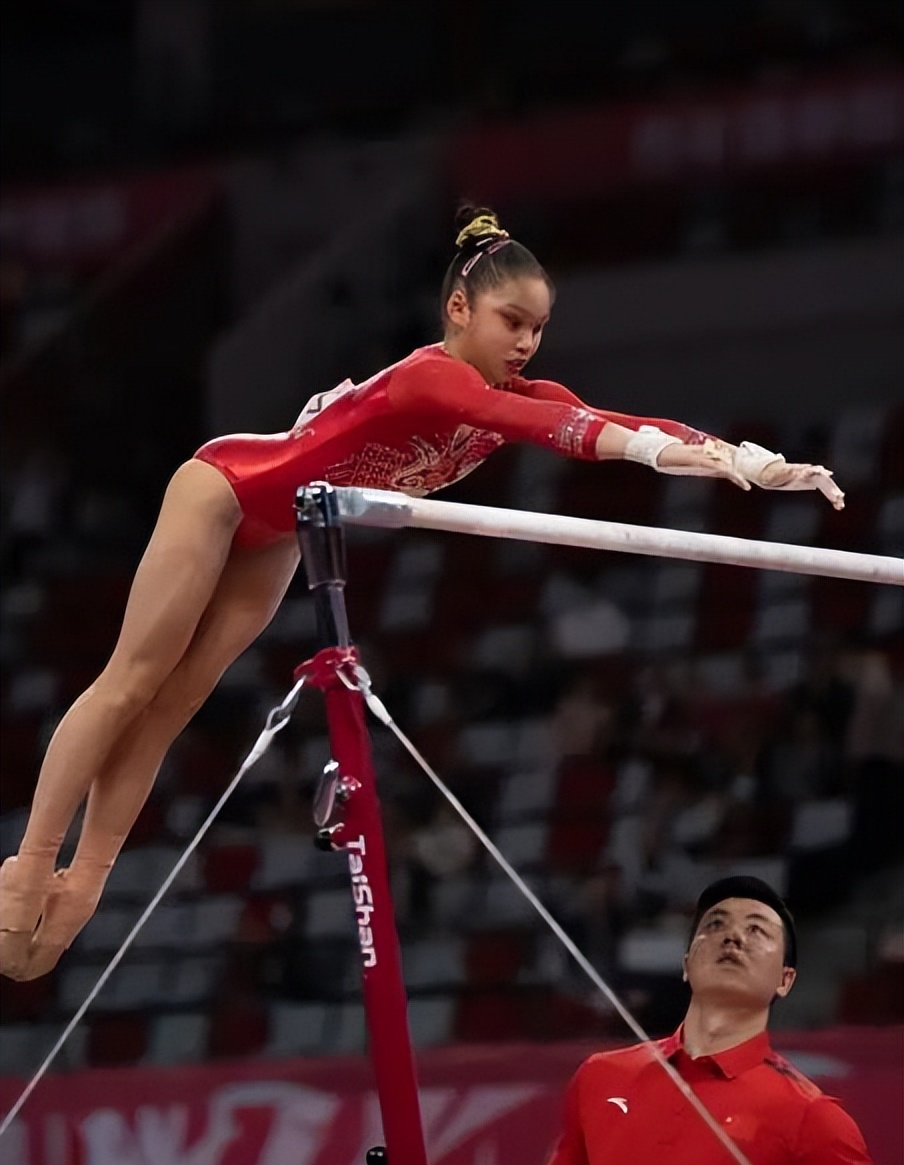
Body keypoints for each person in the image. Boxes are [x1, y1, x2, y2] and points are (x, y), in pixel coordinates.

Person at [0, 206, 845, 982]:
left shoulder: (513, 394)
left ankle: (84, 885)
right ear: (458, 312)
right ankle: (30, 864)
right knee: (135, 680)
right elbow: (566, 434)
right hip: (224, 487)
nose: (526, 344)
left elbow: (615, 423)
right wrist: (658, 456)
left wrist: (748, 461)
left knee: (174, 705)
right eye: (512, 322)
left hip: (285, 528)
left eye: (539, 329)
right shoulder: (428, 378)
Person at [539, 875, 879, 1165]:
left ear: (784, 980)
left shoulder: (815, 1119)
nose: (732, 936)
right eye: (715, 925)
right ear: (686, 964)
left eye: (756, 930)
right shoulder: (601, 1076)